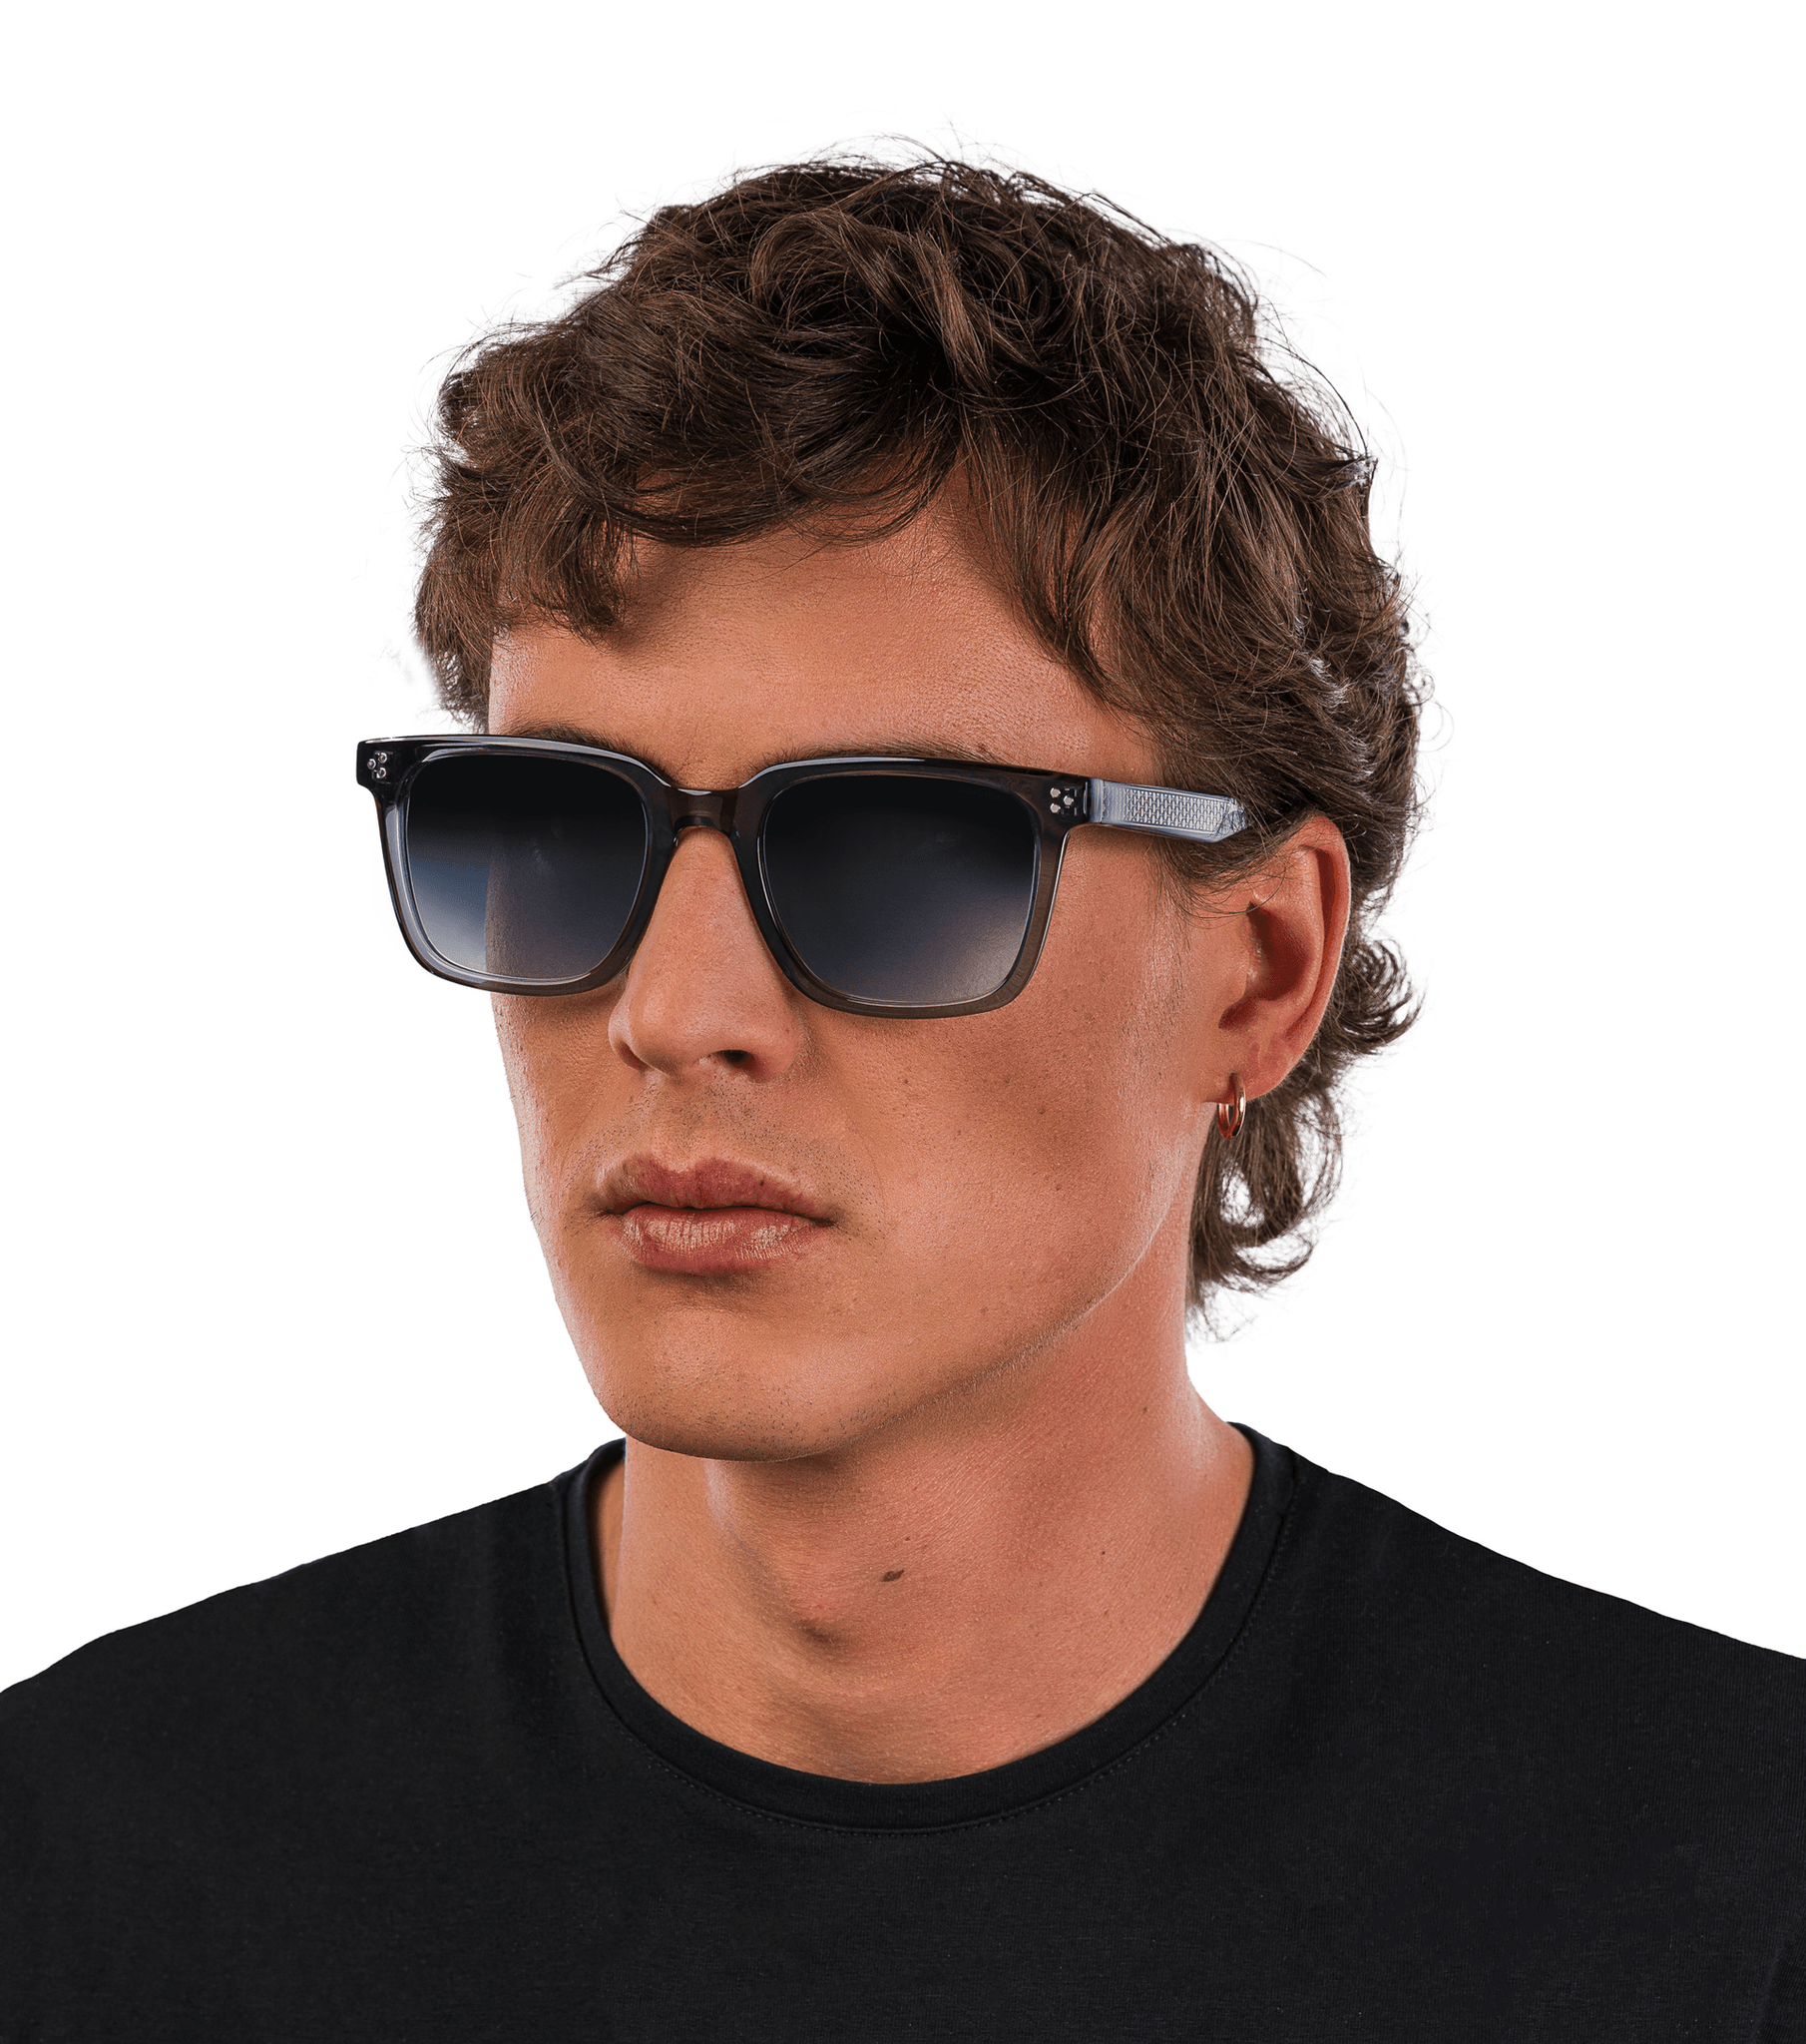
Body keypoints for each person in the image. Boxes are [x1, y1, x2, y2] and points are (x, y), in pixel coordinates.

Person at [4, 157, 1802, 2042]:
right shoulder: (87, 1870)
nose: (674, 1012)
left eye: (893, 854)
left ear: (1260, 970)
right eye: (549, 826)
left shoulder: (1723, 1899)